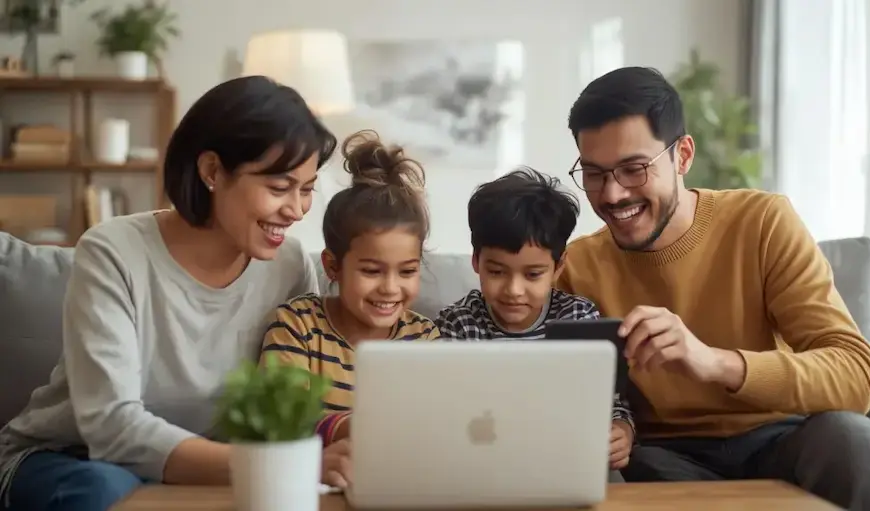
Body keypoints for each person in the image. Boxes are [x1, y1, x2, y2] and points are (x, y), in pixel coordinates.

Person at [556, 66, 870, 510]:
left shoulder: (763, 223)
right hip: (663, 456)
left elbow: (856, 373)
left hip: (782, 438)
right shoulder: (577, 266)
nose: (612, 194)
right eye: (595, 173)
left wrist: (714, 362)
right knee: (638, 468)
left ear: (682, 156)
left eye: (634, 169)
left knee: (853, 441)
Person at [0, 76, 337, 511]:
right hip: (70, 458)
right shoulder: (113, 251)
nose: (296, 210)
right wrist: (273, 468)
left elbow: (297, 400)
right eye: (279, 188)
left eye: (306, 189)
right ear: (212, 171)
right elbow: (110, 426)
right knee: (101, 492)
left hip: (215, 469)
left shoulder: (289, 266)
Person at [260, 129, 440, 488]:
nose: (390, 288)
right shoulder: (298, 326)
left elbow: (435, 429)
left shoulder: (424, 338)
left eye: (407, 271)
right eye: (372, 271)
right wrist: (347, 427)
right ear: (333, 266)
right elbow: (277, 422)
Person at [435, 167, 636, 472]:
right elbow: (447, 409)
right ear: (475, 261)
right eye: (497, 272)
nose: (514, 290)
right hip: (483, 463)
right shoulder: (460, 323)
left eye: (532, 275)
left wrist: (622, 430)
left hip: (565, 461)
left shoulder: (577, 318)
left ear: (558, 267)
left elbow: (610, 399)